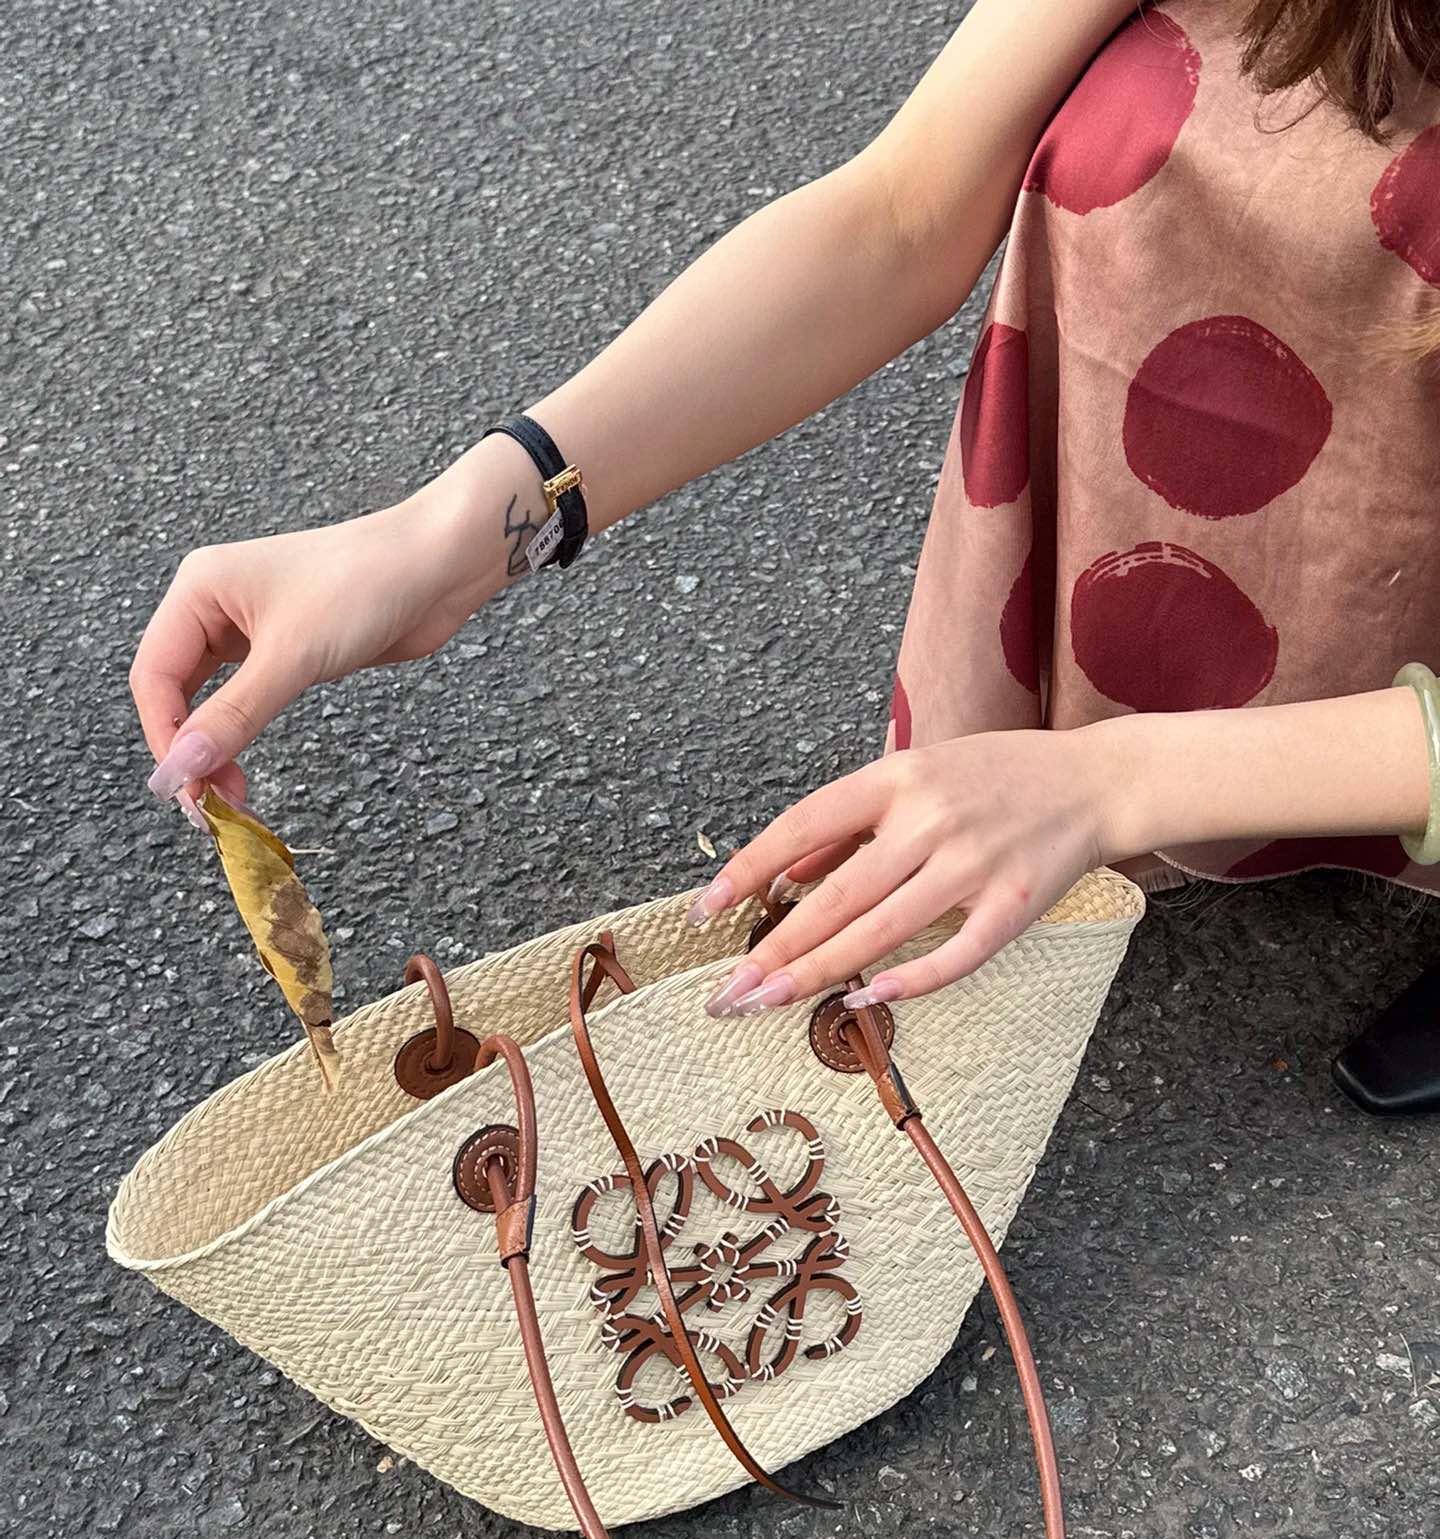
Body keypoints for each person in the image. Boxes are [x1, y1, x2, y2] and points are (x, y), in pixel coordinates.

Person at [130, 0, 1440, 1092]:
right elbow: (901, 212)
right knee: (1148, 107)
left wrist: (1110, 782)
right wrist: (461, 532)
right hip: (1236, 503)